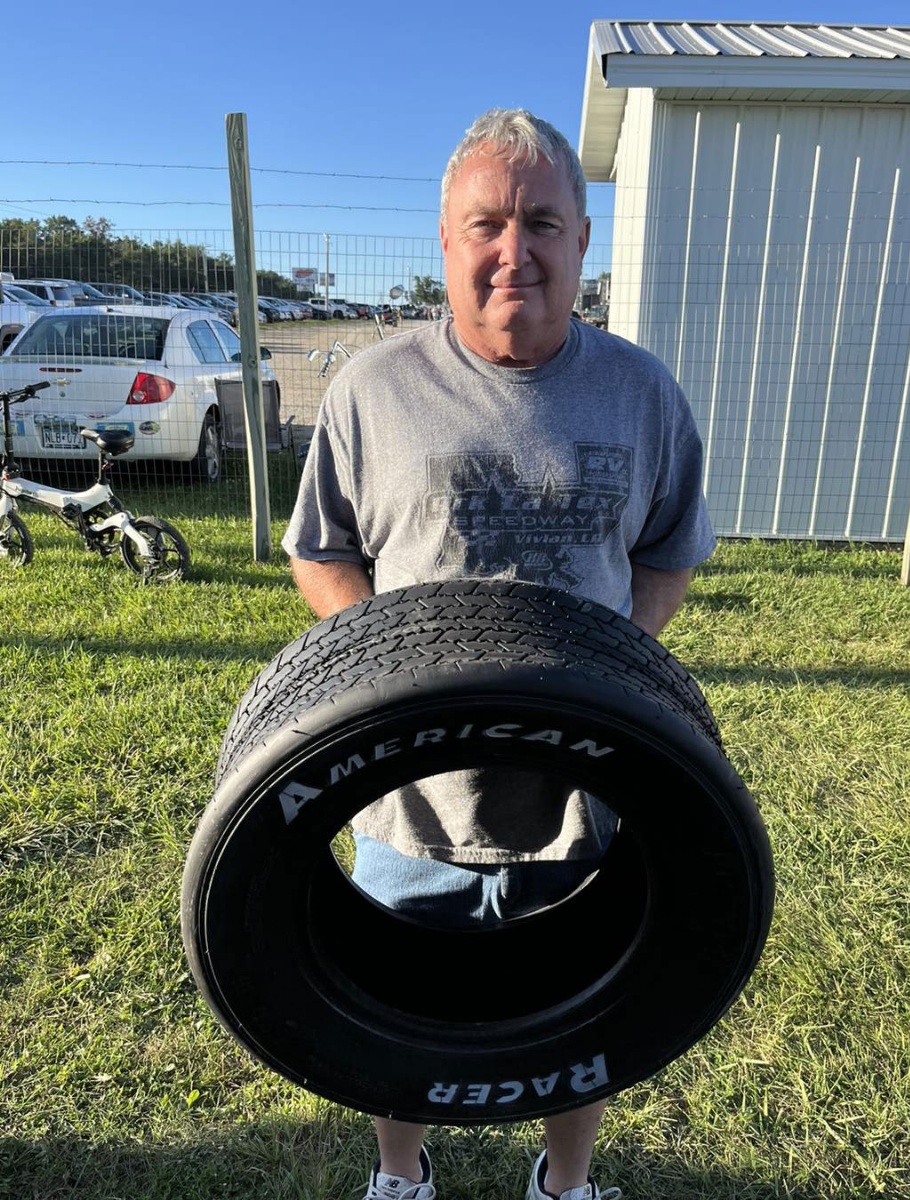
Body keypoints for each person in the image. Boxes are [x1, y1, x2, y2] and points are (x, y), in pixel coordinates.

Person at [282, 107, 716, 1200]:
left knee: (584, 1007)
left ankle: (564, 1184)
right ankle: (401, 1173)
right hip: (408, 792)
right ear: (446, 240)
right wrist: (381, 677)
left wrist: (601, 675)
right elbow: (322, 549)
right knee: (391, 999)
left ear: (580, 241)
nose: (512, 249)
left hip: (584, 787)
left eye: (541, 223)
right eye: (487, 224)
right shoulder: (372, 389)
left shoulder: (641, 393)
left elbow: (668, 551)